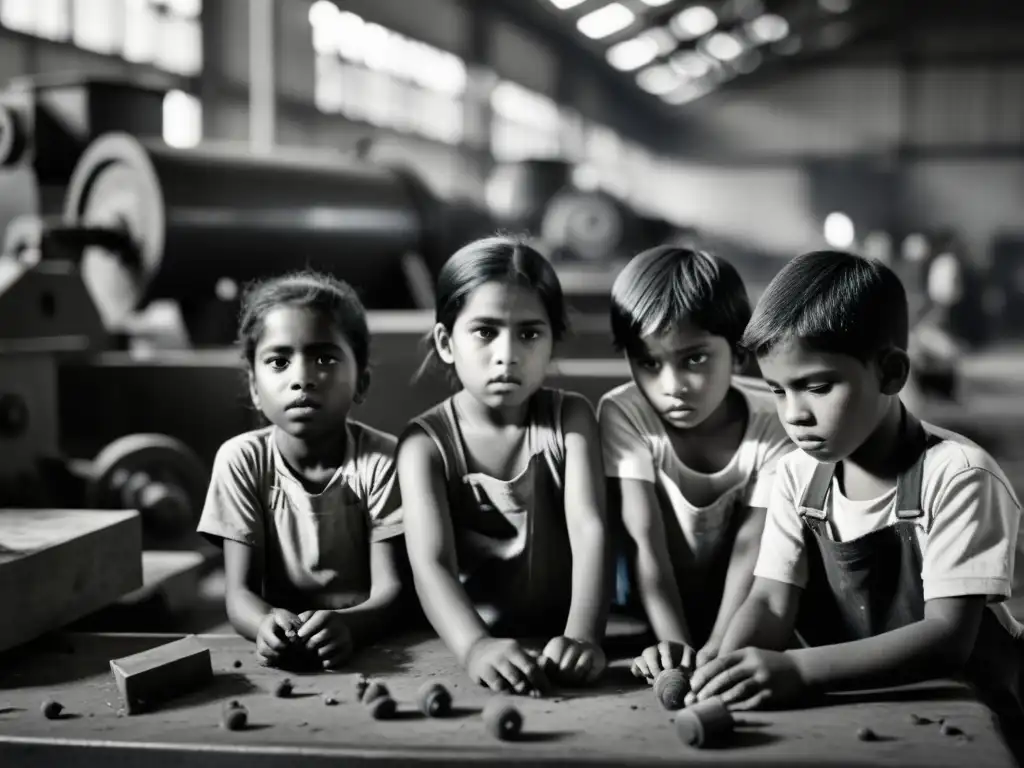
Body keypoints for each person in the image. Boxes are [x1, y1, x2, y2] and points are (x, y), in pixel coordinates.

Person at [687, 250, 1024, 759]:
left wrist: (798, 669)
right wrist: (729, 667)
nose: (794, 414)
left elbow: (947, 637)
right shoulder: (797, 476)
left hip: (977, 718)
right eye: (777, 391)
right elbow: (771, 601)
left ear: (890, 373)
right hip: (866, 713)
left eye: (816, 387)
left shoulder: (958, 474)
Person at [398, 235, 609, 695]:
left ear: (553, 343)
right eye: (485, 331)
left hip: (561, 642)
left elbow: (590, 530)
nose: (507, 354)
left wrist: (583, 635)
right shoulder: (425, 445)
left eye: (530, 333)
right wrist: (475, 646)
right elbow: (430, 564)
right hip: (464, 645)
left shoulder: (570, 419)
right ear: (445, 342)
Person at [596, 246, 793, 681]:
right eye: (648, 362)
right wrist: (675, 646)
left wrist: (719, 651)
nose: (672, 386)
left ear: (739, 352)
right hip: (645, 615)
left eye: (695, 359)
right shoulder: (624, 413)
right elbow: (645, 542)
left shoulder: (774, 419)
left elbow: (752, 548)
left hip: (746, 614)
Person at [198, 270, 403, 670]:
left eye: (324, 359)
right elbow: (239, 594)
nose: (301, 379)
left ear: (361, 382)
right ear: (255, 388)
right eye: (278, 361)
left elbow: (394, 592)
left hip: (373, 646)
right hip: (282, 651)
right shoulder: (241, 461)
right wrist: (263, 624)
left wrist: (351, 626)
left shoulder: (385, 461)